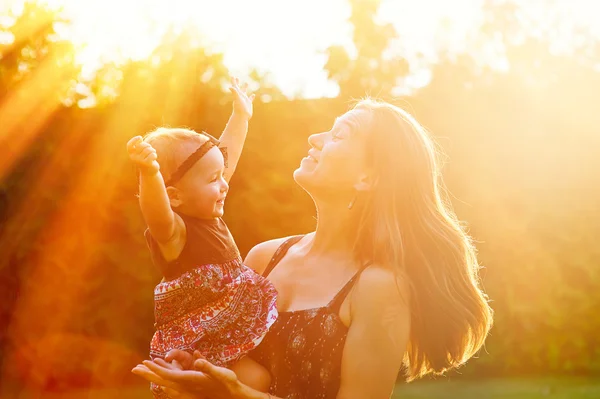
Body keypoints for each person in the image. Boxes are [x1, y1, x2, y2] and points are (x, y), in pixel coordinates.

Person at [133, 99, 494, 399]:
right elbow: (219, 359)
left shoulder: (379, 287)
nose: (315, 137)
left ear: (368, 177)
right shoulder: (264, 258)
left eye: (339, 135)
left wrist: (237, 395)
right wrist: (189, 373)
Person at [127, 78, 277, 398]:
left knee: (258, 379)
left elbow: (228, 156)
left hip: (223, 335)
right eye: (213, 179)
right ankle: (181, 378)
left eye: (222, 175)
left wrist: (241, 116)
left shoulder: (209, 212)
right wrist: (150, 173)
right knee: (246, 382)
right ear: (175, 197)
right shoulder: (176, 231)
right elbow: (157, 213)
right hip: (195, 341)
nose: (224, 184)